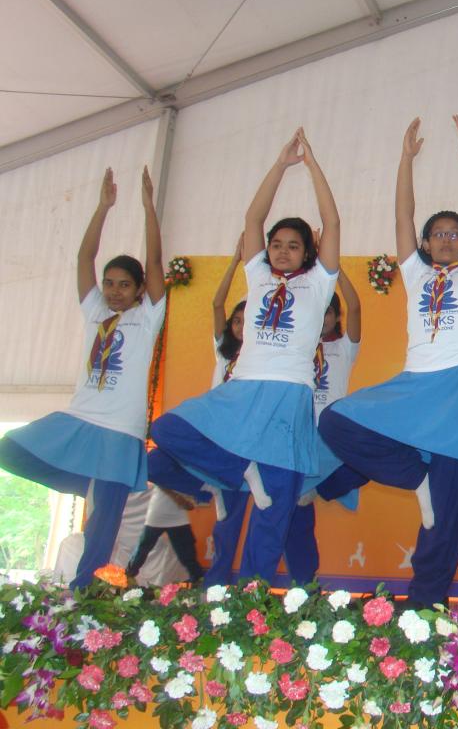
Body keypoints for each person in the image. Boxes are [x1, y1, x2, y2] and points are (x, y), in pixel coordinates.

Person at [319, 116, 458, 608]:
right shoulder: (416, 273)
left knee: (446, 513)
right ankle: (415, 478)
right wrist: (404, 160)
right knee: (335, 422)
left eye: (454, 235)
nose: (446, 239)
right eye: (437, 234)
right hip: (416, 385)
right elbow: (402, 216)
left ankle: (425, 606)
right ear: (424, 244)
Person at [150, 128, 340, 581]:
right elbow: (253, 219)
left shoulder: (318, 283)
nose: (282, 250)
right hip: (242, 390)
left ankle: (251, 601)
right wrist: (279, 166)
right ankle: (240, 468)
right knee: (166, 427)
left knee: (272, 515)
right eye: (277, 244)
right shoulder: (256, 276)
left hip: (288, 395)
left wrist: (313, 167)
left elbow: (333, 223)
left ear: (308, 252)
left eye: (294, 245)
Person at [0, 166, 166, 588]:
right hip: (80, 422)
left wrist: (149, 209)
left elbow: (155, 262)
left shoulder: (147, 319)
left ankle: (82, 601)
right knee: (12, 449)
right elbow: (82, 259)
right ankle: (86, 484)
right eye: (109, 284)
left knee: (101, 534)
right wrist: (103, 207)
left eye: (123, 285)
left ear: (138, 289)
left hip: (119, 433)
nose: (113, 291)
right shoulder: (96, 314)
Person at [286, 267, 363, 585]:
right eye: (316, 313)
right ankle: (304, 583)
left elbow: (356, 306)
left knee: (366, 465)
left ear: (335, 316)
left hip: (333, 438)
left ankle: (322, 487)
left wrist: (335, 268)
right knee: (296, 515)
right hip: (299, 437)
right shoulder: (295, 347)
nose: (322, 319)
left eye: (328, 313)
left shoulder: (345, 346)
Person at [125, 485, 204, 583]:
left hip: (178, 517)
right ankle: (126, 579)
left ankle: (198, 582)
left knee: (188, 555)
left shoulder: (186, 471)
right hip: (157, 514)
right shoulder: (160, 470)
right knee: (142, 549)